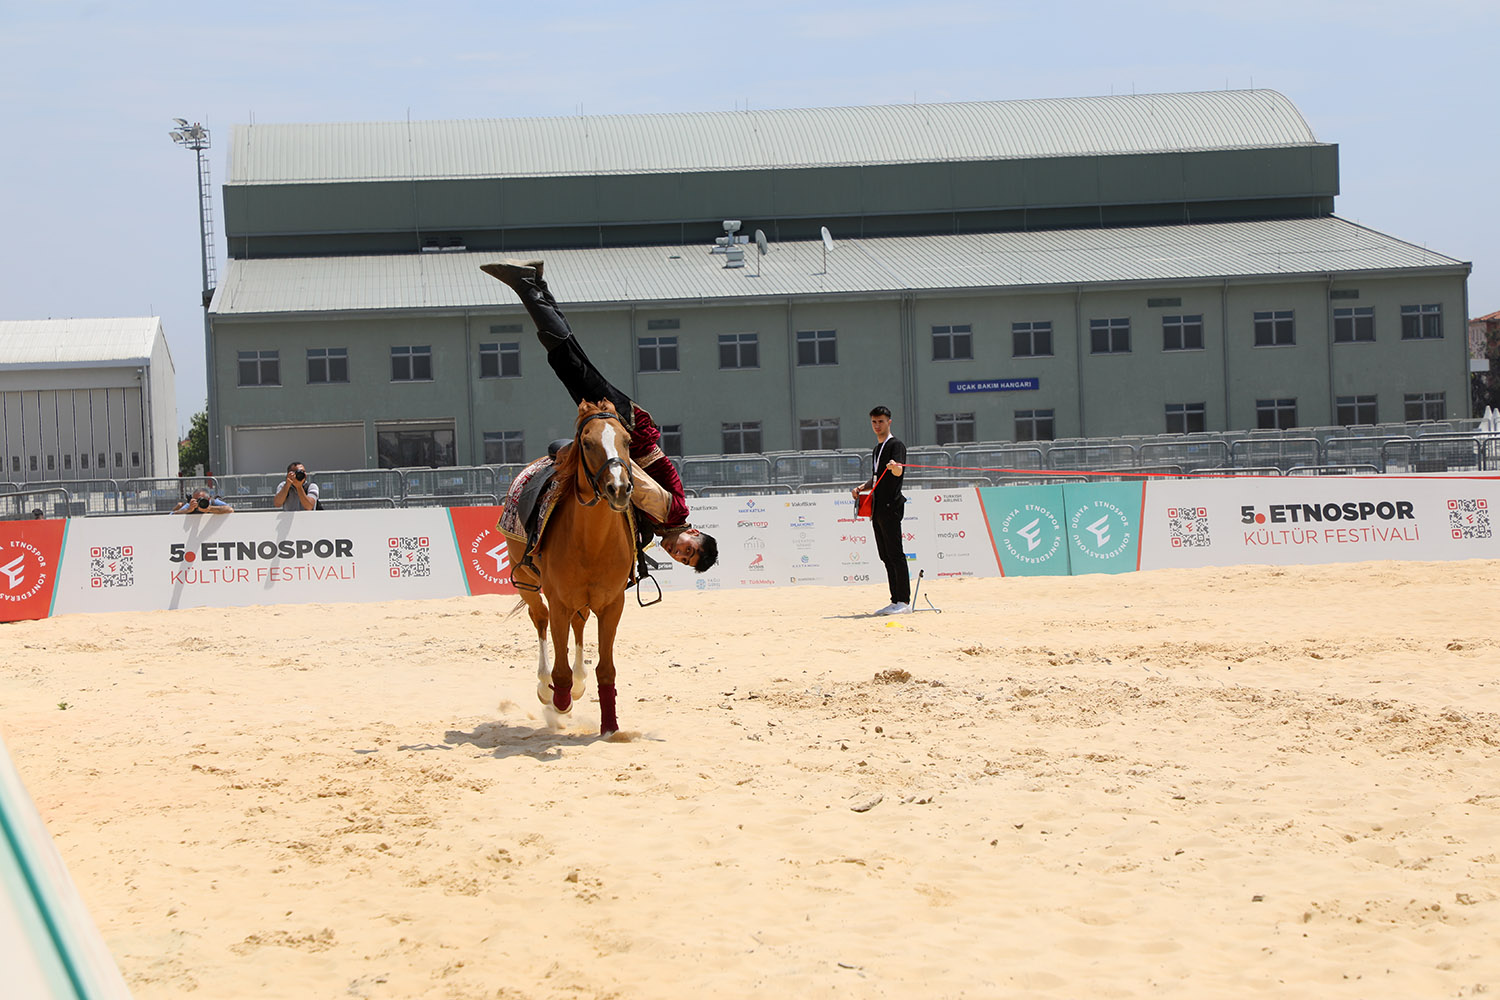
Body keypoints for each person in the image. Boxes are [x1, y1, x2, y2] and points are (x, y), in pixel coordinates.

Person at [481, 260, 718, 573]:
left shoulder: (660, 525)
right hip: (622, 424)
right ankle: (526, 286)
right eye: (688, 550)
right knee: (568, 362)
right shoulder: (671, 513)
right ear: (694, 533)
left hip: (625, 426)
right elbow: (624, 480)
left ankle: (537, 284)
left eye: (683, 560)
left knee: (572, 361)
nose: (678, 553)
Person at [852, 405, 909, 614]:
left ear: (889, 422)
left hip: (891, 506)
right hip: (877, 508)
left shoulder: (896, 445)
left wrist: (895, 466)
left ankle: (904, 601)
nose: (877, 425)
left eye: (881, 421)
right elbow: (877, 477)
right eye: (874, 422)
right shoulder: (877, 449)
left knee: (896, 554)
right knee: (885, 555)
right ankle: (895, 600)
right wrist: (861, 487)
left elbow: (897, 472)